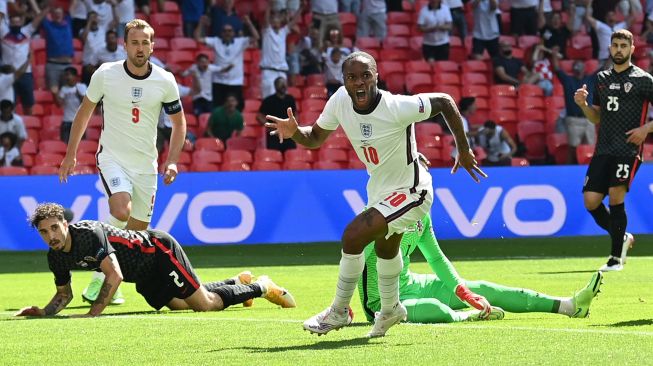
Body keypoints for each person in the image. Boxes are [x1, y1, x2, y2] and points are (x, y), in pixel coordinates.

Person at [265, 51, 487, 337]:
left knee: (353, 235)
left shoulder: (396, 106)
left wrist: (464, 150)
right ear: (343, 80)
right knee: (385, 249)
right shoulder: (340, 101)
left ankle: (339, 311)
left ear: (376, 76)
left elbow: (445, 101)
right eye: (352, 77)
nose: (359, 83)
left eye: (365, 75)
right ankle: (392, 308)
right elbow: (315, 138)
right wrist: (296, 132)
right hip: (380, 190)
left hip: (413, 191)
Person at [58, 19, 188, 305]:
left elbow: (179, 124)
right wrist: (71, 154)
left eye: (145, 43)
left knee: (136, 236)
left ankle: (112, 282)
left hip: (146, 166)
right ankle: (97, 276)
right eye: (135, 42)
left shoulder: (165, 80)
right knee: (121, 207)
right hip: (112, 158)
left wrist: (173, 160)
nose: (140, 48)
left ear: (152, 46)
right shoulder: (106, 74)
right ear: (125, 45)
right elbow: (84, 112)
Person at [15, 203, 295, 318]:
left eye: (54, 227)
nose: (50, 235)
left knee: (204, 305)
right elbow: (64, 294)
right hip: (144, 275)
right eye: (44, 231)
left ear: (65, 223)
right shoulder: (55, 257)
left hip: (158, 252)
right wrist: (44, 312)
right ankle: (237, 283)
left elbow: (114, 276)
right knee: (180, 305)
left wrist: (93, 313)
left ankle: (261, 286)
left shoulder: (89, 233)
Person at [358, 214, 604, 323]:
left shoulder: (422, 217)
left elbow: (436, 259)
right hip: (381, 304)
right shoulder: (375, 219)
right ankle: (466, 316)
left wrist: (464, 292)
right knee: (435, 308)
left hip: (413, 284)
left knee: (484, 289)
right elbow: (353, 260)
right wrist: (341, 305)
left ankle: (569, 306)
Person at [573, 29, 649, 271]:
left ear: (632, 49)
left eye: (623, 46)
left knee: (617, 195)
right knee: (590, 201)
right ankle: (623, 237)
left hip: (628, 149)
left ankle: (615, 258)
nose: (618, 49)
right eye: (615, 45)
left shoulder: (643, 79)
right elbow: (596, 117)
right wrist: (583, 105)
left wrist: (645, 129)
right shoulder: (601, 78)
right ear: (610, 47)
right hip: (603, 148)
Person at [195, 15, 259, 110]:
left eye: (230, 31)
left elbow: (256, 37)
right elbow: (198, 38)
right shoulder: (216, 41)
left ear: (234, 33)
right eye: (225, 31)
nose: (227, 33)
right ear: (221, 33)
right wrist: (201, 23)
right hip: (219, 82)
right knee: (218, 109)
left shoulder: (240, 42)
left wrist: (249, 23)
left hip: (235, 82)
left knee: (237, 109)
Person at [551, 51, 597, 164]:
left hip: (588, 119)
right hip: (573, 120)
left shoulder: (590, 79)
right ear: (572, 68)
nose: (577, 66)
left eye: (580, 64)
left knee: (590, 148)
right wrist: (554, 55)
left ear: (584, 68)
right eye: (575, 64)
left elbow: (605, 67)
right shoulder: (567, 79)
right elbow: (556, 68)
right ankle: (569, 170)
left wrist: (612, 55)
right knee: (572, 148)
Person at [257, 77, 297, 152]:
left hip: (288, 135)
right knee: (274, 157)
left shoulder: (290, 99)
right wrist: (270, 126)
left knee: (291, 156)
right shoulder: (268, 100)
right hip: (274, 135)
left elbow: (295, 114)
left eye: (284, 83)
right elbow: (259, 116)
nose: (283, 85)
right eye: (281, 83)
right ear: (275, 86)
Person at [52, 67, 87, 144]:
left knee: (80, 145)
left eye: (68, 75)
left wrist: (78, 92)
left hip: (79, 122)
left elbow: (85, 103)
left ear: (75, 76)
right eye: (65, 75)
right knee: (64, 145)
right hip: (66, 122)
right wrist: (54, 94)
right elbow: (59, 105)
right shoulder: (64, 89)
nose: (66, 77)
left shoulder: (82, 87)